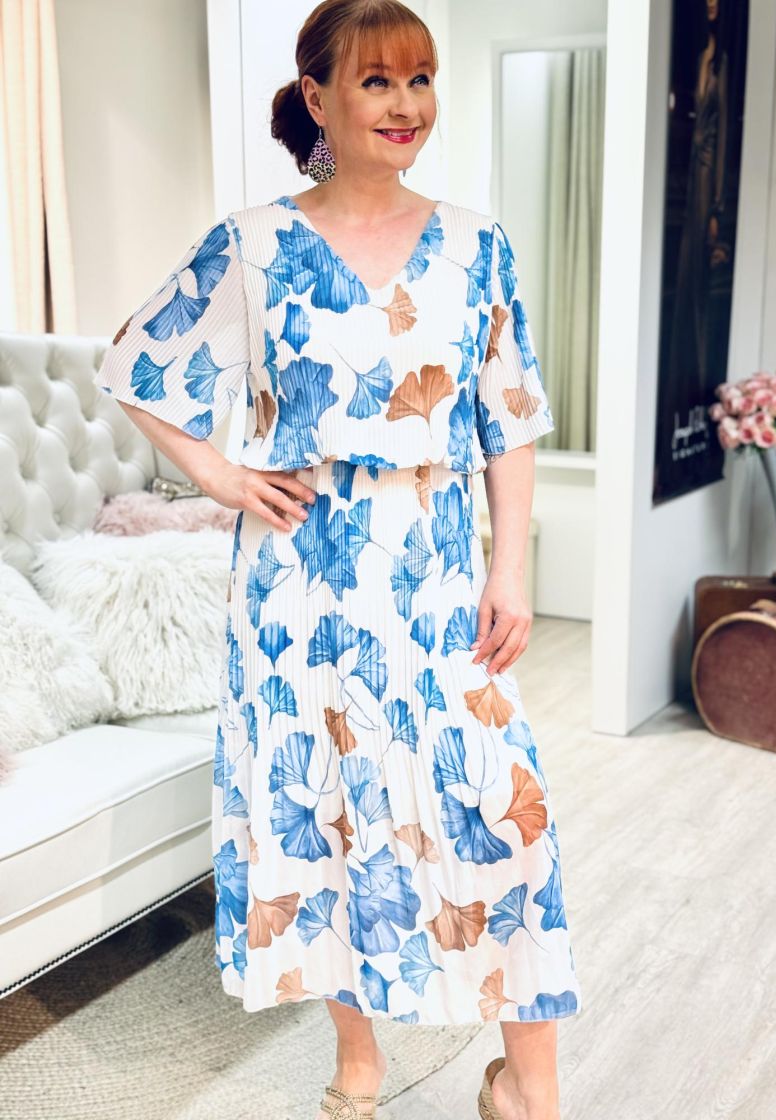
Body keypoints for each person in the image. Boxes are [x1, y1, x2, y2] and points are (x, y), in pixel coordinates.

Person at [92, 2, 582, 1117]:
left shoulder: (478, 245)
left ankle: (531, 1089)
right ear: (318, 98)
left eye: (421, 78)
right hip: (297, 582)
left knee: (504, 812)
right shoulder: (255, 244)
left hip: (439, 568)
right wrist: (220, 476)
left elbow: (509, 417)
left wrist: (510, 570)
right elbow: (134, 363)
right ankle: (359, 1058)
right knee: (325, 813)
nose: (407, 104)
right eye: (377, 82)